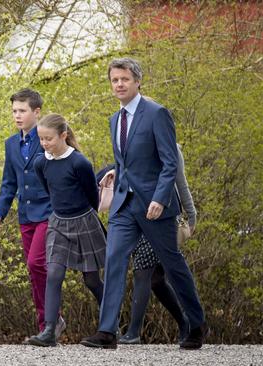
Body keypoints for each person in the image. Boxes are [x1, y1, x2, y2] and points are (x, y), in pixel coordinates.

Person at [81, 58, 208, 350]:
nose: (119, 84)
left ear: (137, 81)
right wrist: (116, 169)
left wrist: (161, 198)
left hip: (155, 206)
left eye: (124, 79)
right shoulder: (115, 119)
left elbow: (169, 162)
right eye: (114, 80)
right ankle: (107, 332)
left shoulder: (157, 114)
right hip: (124, 205)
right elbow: (128, 159)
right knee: (114, 261)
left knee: (173, 265)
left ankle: (197, 323)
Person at [0, 89, 64, 339]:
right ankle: (47, 325)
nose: (17, 116)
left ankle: (51, 320)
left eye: (22, 111)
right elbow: (8, 182)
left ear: (36, 112)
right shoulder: (11, 144)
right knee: (33, 270)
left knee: (37, 262)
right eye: (14, 111)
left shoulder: (47, 138)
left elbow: (65, 167)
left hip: (49, 212)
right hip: (25, 214)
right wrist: (0, 212)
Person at [27, 114, 106, 347]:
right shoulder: (41, 163)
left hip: (84, 221)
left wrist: (83, 217)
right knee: (53, 274)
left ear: (63, 135)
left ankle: (109, 323)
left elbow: (93, 197)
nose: (44, 144)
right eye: (41, 139)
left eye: (48, 139)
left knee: (91, 280)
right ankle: (50, 330)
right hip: (58, 223)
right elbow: (50, 190)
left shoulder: (79, 162)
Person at [118, 144, 197, 344]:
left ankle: (133, 332)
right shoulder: (131, 143)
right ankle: (184, 322)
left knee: (143, 270)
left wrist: (192, 213)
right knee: (156, 278)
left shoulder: (171, 148)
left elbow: (180, 182)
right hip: (136, 215)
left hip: (161, 216)